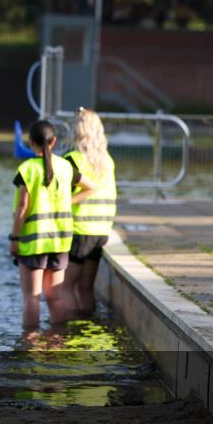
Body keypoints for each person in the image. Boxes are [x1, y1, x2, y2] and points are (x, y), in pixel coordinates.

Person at [9, 120, 96, 331]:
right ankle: (57, 341)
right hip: (60, 242)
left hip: (33, 243)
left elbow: (22, 208)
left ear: (31, 143)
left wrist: (14, 239)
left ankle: (30, 344)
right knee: (55, 298)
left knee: (31, 297)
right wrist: (70, 202)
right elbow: (91, 187)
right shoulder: (65, 167)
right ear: (54, 141)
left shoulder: (27, 169)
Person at [62, 109, 117, 317]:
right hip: (101, 231)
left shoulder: (73, 159)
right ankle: (87, 326)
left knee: (65, 288)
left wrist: (64, 204)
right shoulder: (107, 161)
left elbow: (63, 195)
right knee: (85, 288)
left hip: (79, 230)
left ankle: (69, 331)